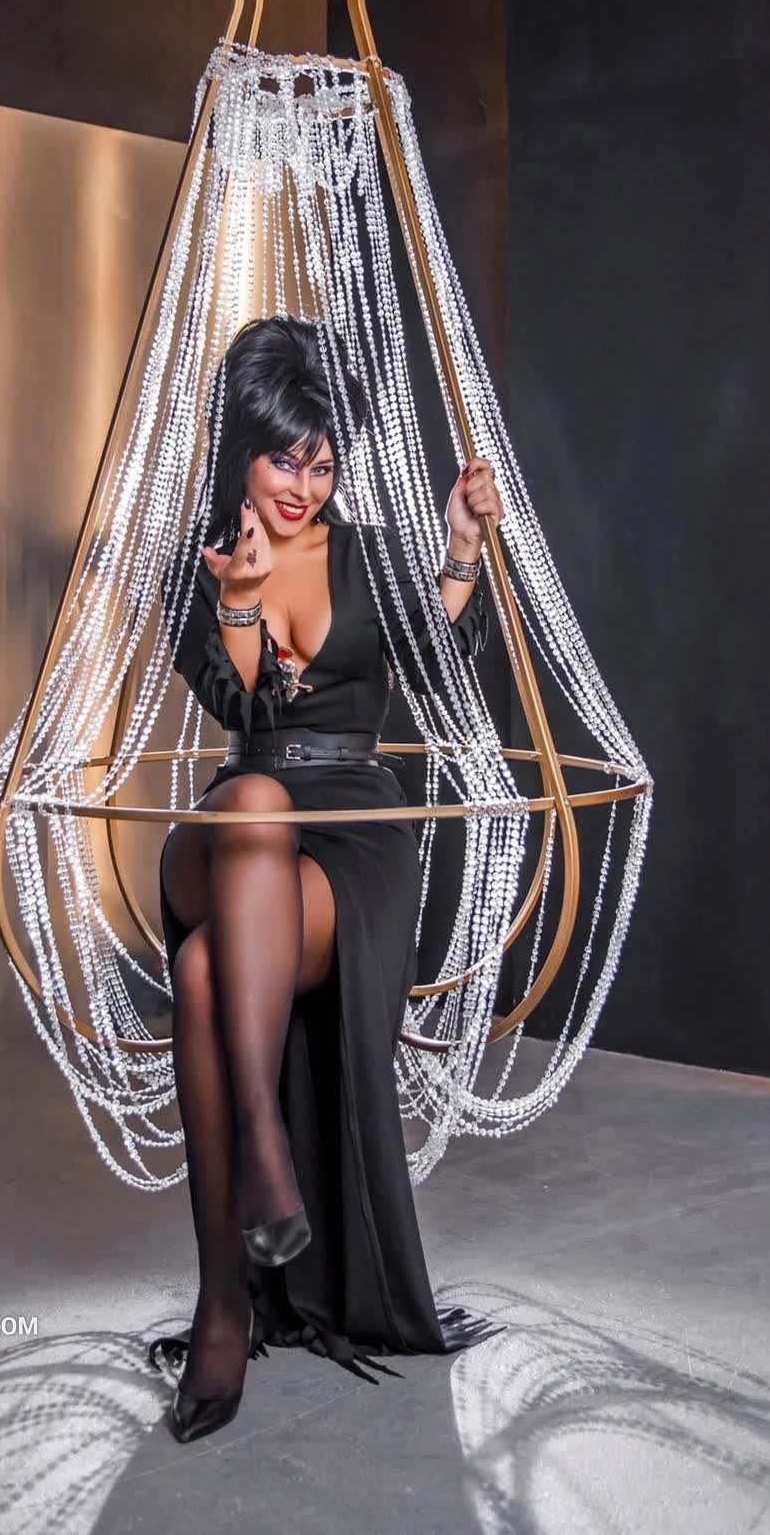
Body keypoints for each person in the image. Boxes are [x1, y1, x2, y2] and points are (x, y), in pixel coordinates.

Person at [149, 314, 506, 1443]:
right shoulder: (200, 563)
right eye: (281, 461)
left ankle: (223, 1306)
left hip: (352, 829)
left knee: (204, 975)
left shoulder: (373, 556)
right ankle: (264, 1146)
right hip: (238, 825)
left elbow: (440, 663)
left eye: (321, 464)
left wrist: (459, 549)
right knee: (254, 798)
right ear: (239, 452)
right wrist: (240, 600)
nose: (303, 488)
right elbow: (239, 706)